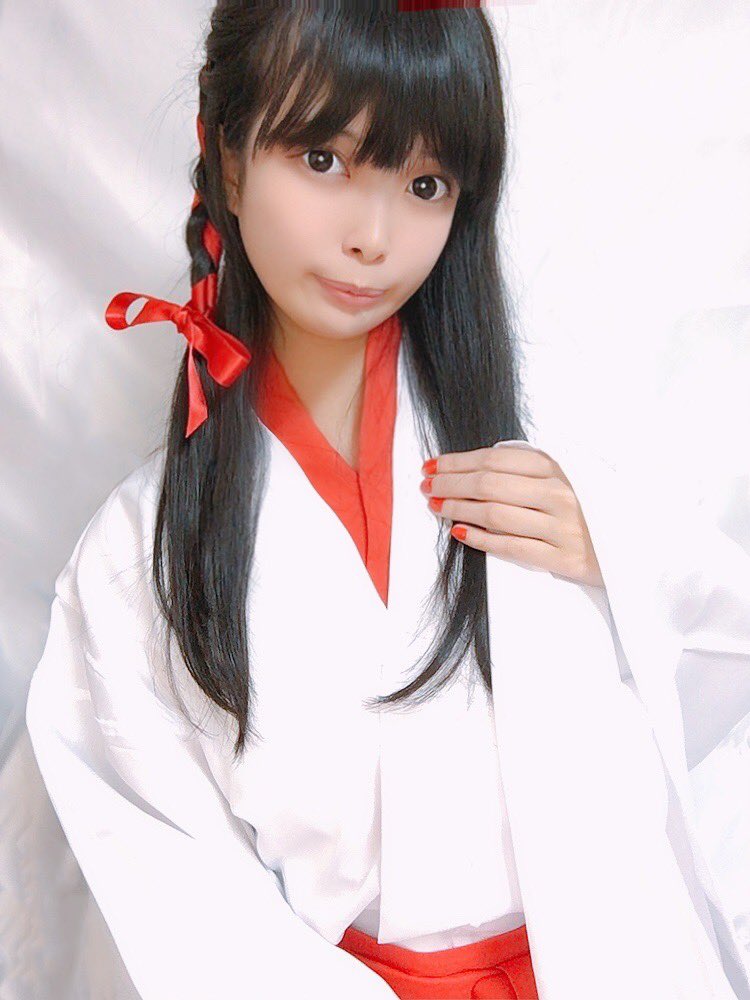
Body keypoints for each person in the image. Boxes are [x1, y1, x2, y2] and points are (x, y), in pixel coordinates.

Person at [25, 4, 750, 998]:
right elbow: (182, 898)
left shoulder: (544, 441)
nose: (374, 238)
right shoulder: (136, 557)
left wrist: (617, 554)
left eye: (424, 184)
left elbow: (724, 657)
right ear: (228, 157)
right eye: (323, 159)